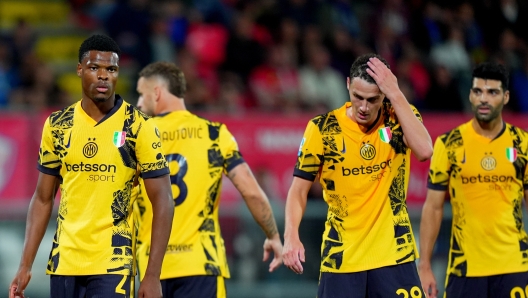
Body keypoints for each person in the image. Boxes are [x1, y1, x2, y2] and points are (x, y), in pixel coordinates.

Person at [8, 34, 174, 298]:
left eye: (111, 69)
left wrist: (152, 275)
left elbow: (163, 200)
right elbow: (42, 199)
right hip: (64, 261)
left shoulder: (138, 126)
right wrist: (25, 265)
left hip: (113, 263)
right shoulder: (58, 125)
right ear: (79, 69)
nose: (103, 76)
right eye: (94, 68)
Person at [282, 53, 433, 297]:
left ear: (384, 94)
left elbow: (425, 150)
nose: (363, 107)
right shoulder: (322, 129)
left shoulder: (399, 117)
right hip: (341, 259)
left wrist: (395, 93)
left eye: (372, 99)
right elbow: (298, 189)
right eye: (358, 97)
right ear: (348, 85)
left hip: (394, 255)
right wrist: (290, 237)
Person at [134, 61, 283, 297]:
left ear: (157, 92)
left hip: (150, 271)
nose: (139, 103)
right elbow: (251, 191)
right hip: (201, 264)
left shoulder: (136, 137)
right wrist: (273, 236)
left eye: (142, 95)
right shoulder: (214, 134)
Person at [418, 62, 528, 298]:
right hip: (464, 269)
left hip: (515, 265)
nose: (484, 99)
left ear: (506, 97)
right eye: (478, 91)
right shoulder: (449, 144)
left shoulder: (523, 144)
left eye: (492, 92)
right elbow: (433, 207)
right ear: (470, 94)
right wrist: (424, 265)